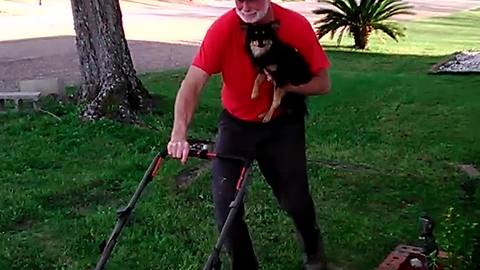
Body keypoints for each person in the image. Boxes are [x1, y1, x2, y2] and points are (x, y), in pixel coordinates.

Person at [167, 0, 331, 269]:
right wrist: (178, 133)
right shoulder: (224, 29)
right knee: (225, 207)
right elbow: (193, 82)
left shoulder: (295, 25)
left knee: (295, 198)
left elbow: (323, 84)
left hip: (282, 126)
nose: (243, 5)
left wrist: (285, 85)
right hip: (236, 126)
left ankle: (313, 251)